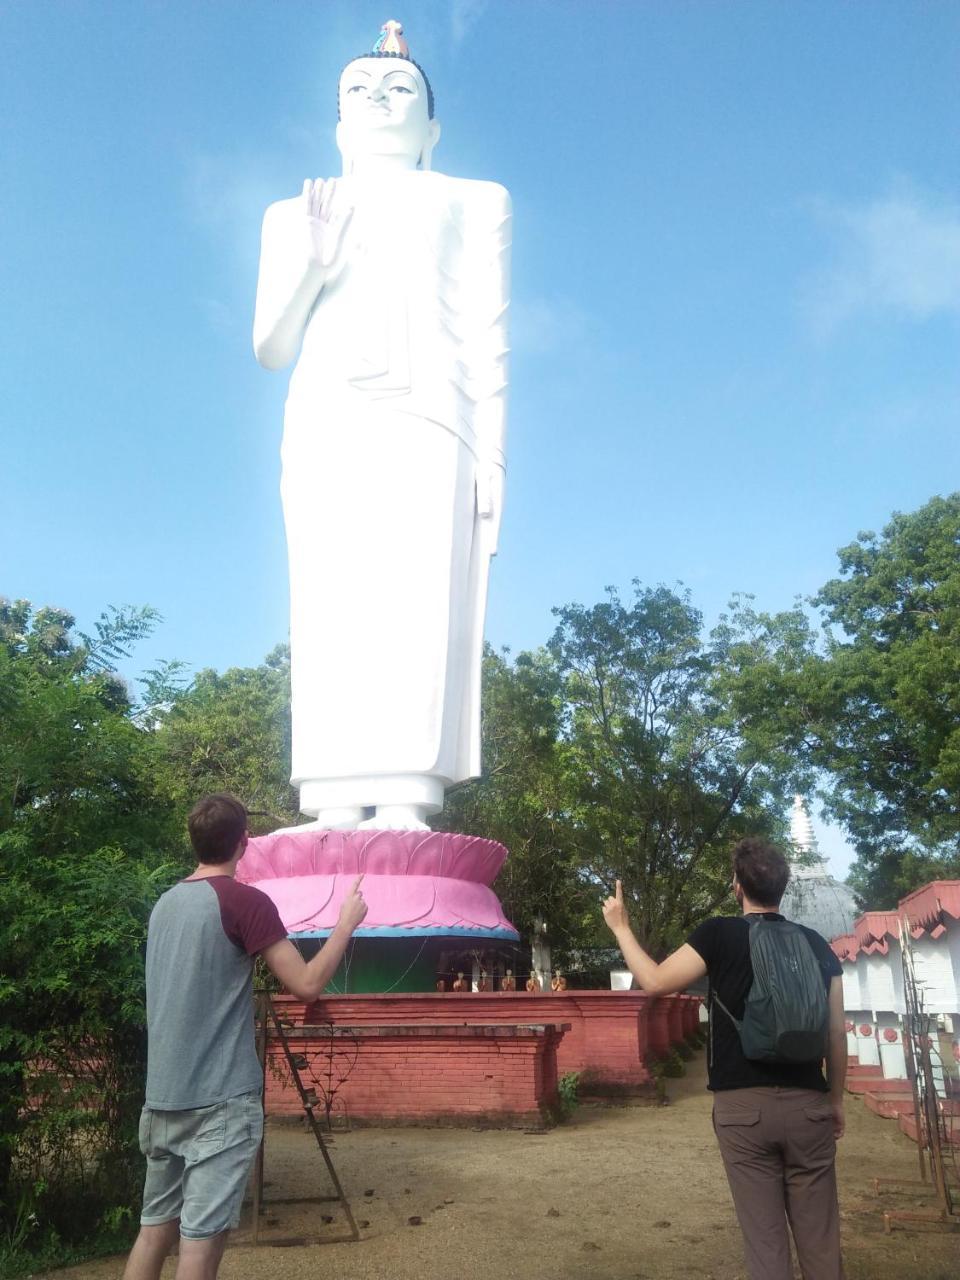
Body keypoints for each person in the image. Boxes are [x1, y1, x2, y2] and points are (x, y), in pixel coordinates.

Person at [253, 21, 510, 832]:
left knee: (415, 591)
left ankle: (405, 788)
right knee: (332, 597)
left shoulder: (474, 200)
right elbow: (271, 345)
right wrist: (314, 265)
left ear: (432, 129)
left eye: (400, 88)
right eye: (360, 89)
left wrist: (494, 454)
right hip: (330, 412)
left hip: (432, 412)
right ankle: (328, 793)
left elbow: (489, 332)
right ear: (337, 124)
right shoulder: (293, 212)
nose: (379, 97)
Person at [122, 793, 367, 1280]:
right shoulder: (245, 901)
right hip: (218, 1102)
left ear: (194, 841)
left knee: (154, 1231)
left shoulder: (164, 905)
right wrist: (345, 924)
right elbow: (307, 985)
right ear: (243, 843)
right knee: (199, 1246)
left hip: (163, 1101)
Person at [602, 837, 846, 1280]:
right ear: (783, 886)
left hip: (742, 1111)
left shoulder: (718, 934)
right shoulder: (816, 945)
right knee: (821, 1239)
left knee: (765, 1240)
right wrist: (836, 1101)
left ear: (737, 886)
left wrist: (621, 927)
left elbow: (654, 981)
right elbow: (835, 1032)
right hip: (810, 1106)